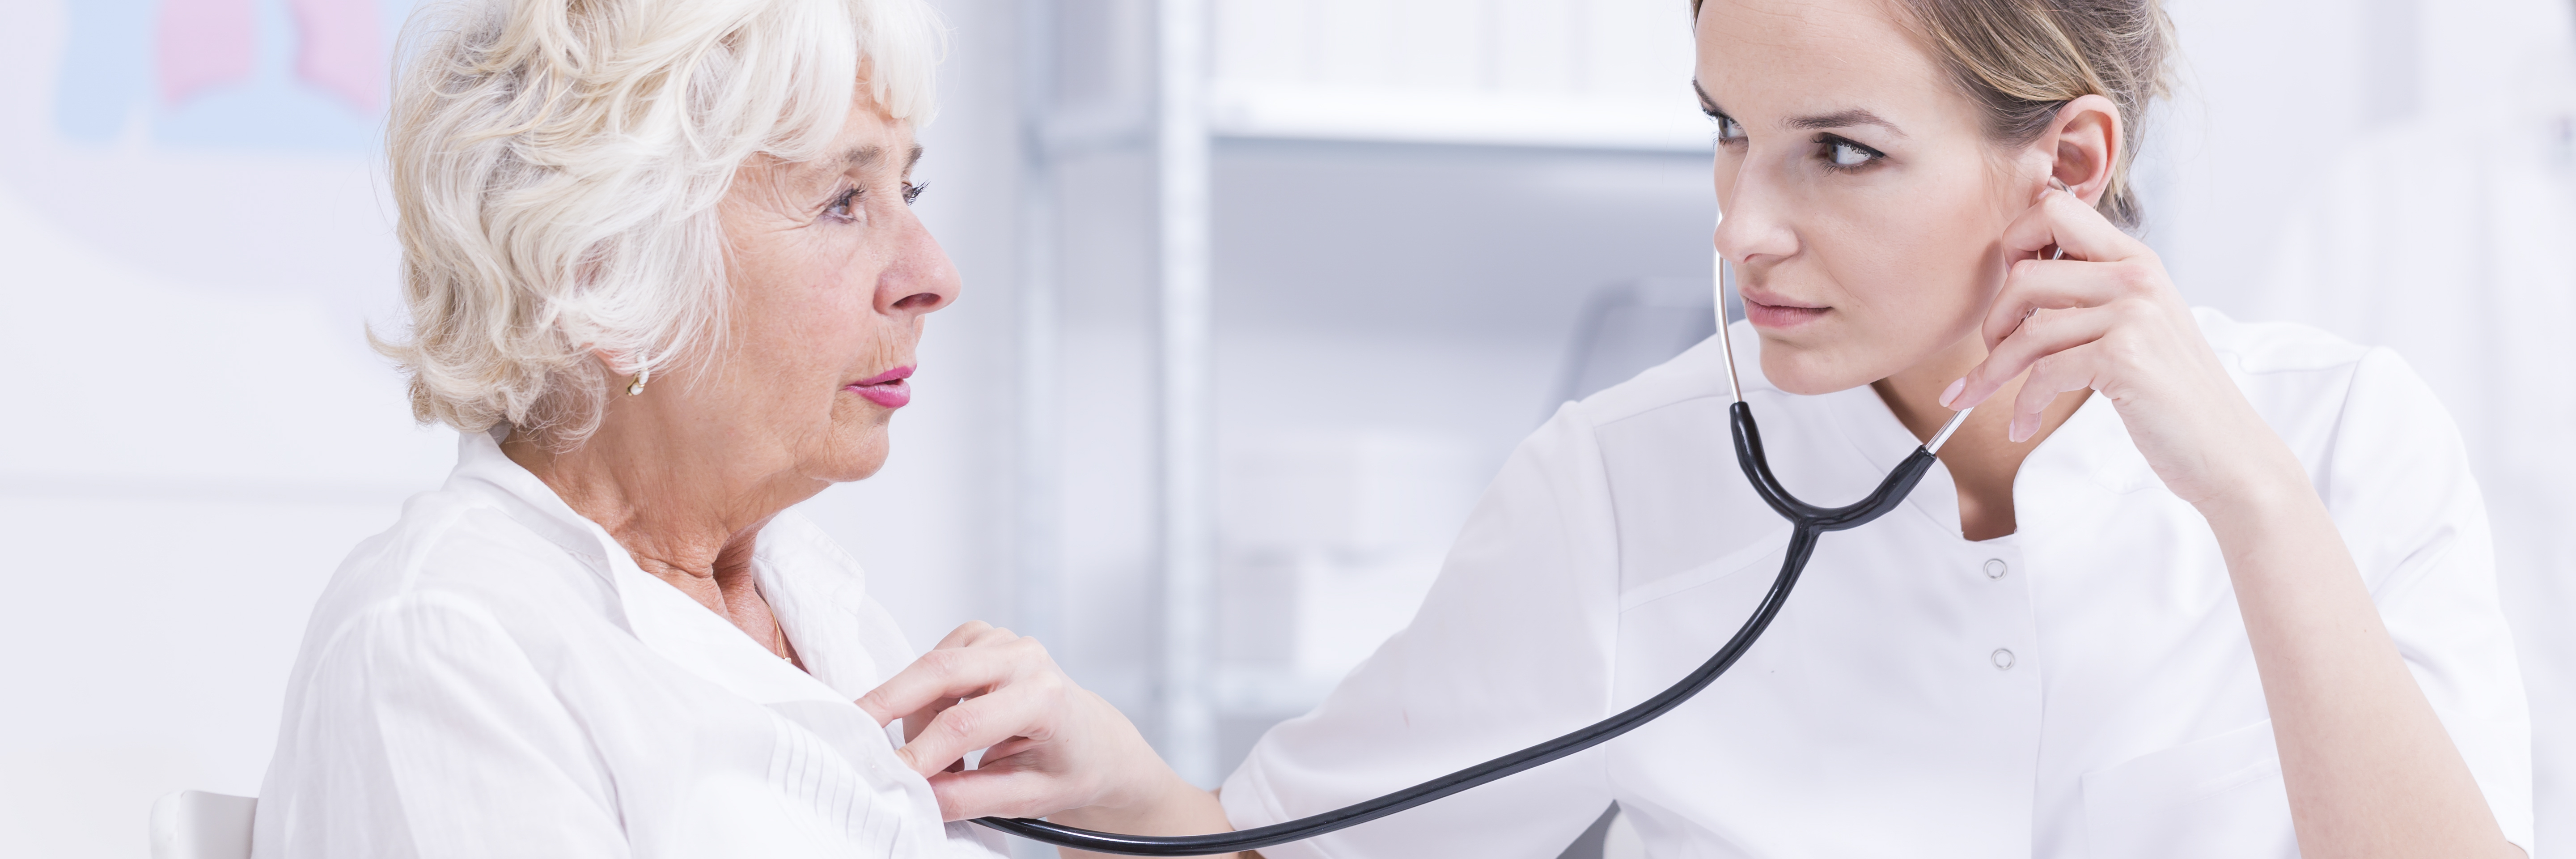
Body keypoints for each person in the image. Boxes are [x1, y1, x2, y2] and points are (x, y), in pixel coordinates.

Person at [859, 0, 2536, 856]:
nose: (1744, 225)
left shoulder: (2337, 446)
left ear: (2070, 171)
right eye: (1730, 133)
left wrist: (2246, 498)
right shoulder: (1618, 490)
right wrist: (1118, 785)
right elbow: (1307, 850)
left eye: (1841, 152)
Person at [247, 0, 1171, 855]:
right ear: (603, 275)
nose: (933, 275)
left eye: (909, 193)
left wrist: (1131, 795)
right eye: (843, 201)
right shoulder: (446, 645)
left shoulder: (811, 601)